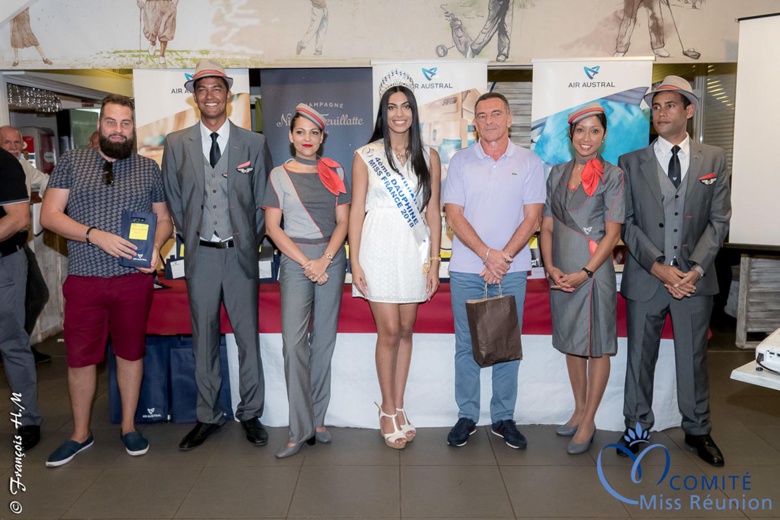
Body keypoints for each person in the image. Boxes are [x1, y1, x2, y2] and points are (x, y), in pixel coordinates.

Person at [41, 94, 172, 467]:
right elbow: (49, 216)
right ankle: (80, 434)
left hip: (133, 280)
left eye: (125, 123)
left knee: (131, 353)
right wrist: (93, 234)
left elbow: (163, 218)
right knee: (80, 358)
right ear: (100, 125)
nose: (118, 129)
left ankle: (129, 427)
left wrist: (156, 247)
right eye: (111, 122)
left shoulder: (148, 168)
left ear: (133, 127)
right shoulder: (71, 162)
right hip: (84, 278)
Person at [618, 75, 730, 467]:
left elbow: (719, 221)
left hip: (695, 282)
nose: (661, 112)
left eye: (669, 105)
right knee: (639, 359)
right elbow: (627, 223)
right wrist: (658, 267)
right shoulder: (631, 162)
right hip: (647, 278)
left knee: (694, 359)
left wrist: (696, 269)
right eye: (656, 106)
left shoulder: (713, 158)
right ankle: (635, 428)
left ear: (689, 110)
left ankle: (698, 430)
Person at [162, 58, 273, 451]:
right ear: (194, 96)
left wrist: (247, 239)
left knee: (247, 337)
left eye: (217, 88)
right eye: (202, 89)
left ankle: (252, 413)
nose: (210, 95)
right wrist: (193, 235)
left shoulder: (254, 143)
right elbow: (174, 200)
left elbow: (265, 202)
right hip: (200, 255)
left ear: (229, 94)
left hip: (240, 255)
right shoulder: (176, 144)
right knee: (203, 338)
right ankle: (208, 416)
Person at [442, 92, 545, 450]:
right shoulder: (460, 162)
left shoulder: (530, 161)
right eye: (482, 115)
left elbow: (532, 217)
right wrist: (487, 255)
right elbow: (453, 215)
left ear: (509, 118)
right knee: (466, 345)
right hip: (467, 269)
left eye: (496, 114)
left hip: (511, 270)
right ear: (474, 123)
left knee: (505, 345)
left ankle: (503, 417)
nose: (489, 121)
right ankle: (467, 415)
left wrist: (502, 259)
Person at [349, 71, 442, 450]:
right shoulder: (365, 156)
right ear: (383, 114)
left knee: (406, 330)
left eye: (405, 107)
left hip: (414, 250)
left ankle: (400, 405)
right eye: (392, 107)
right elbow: (356, 212)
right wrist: (355, 262)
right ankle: (386, 409)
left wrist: (434, 262)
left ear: (414, 113)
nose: (399, 113)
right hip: (379, 247)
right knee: (388, 331)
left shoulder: (430, 156)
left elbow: (433, 213)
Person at [262, 104, 350, 458]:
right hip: (296, 262)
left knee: (324, 341)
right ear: (290, 136)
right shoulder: (278, 176)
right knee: (293, 345)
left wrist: (324, 260)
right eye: (301, 132)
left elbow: (343, 223)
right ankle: (298, 429)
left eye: (314, 133)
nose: (307, 139)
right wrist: (306, 263)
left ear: (323, 137)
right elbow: (272, 228)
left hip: (330, 259)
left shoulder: (336, 171)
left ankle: (318, 419)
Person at [538, 103, 625, 455]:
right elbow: (546, 225)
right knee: (572, 341)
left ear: (604, 136)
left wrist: (586, 271)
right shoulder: (556, 172)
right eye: (580, 130)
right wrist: (550, 266)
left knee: (596, 345)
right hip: (561, 272)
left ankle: (589, 419)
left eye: (595, 131)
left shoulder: (613, 175)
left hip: (592, 273)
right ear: (570, 135)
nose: (586, 138)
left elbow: (613, 233)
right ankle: (578, 408)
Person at [0, 147, 42, 453]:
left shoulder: (4, 164)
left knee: (11, 342)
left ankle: (28, 421)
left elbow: (18, 218)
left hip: (4, 264)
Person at [0, 125, 51, 365]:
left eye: (16, 143)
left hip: (19, 243)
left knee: (38, 294)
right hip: (5, 245)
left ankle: (19, 345)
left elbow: (48, 182)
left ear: (23, 146)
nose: (12, 147)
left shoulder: (24, 166)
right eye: (6, 142)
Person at [137, 0, 179, 65]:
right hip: (151, 3)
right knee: (151, 29)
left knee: (166, 30)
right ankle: (152, 42)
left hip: (167, 3)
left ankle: (162, 55)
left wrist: (175, 2)